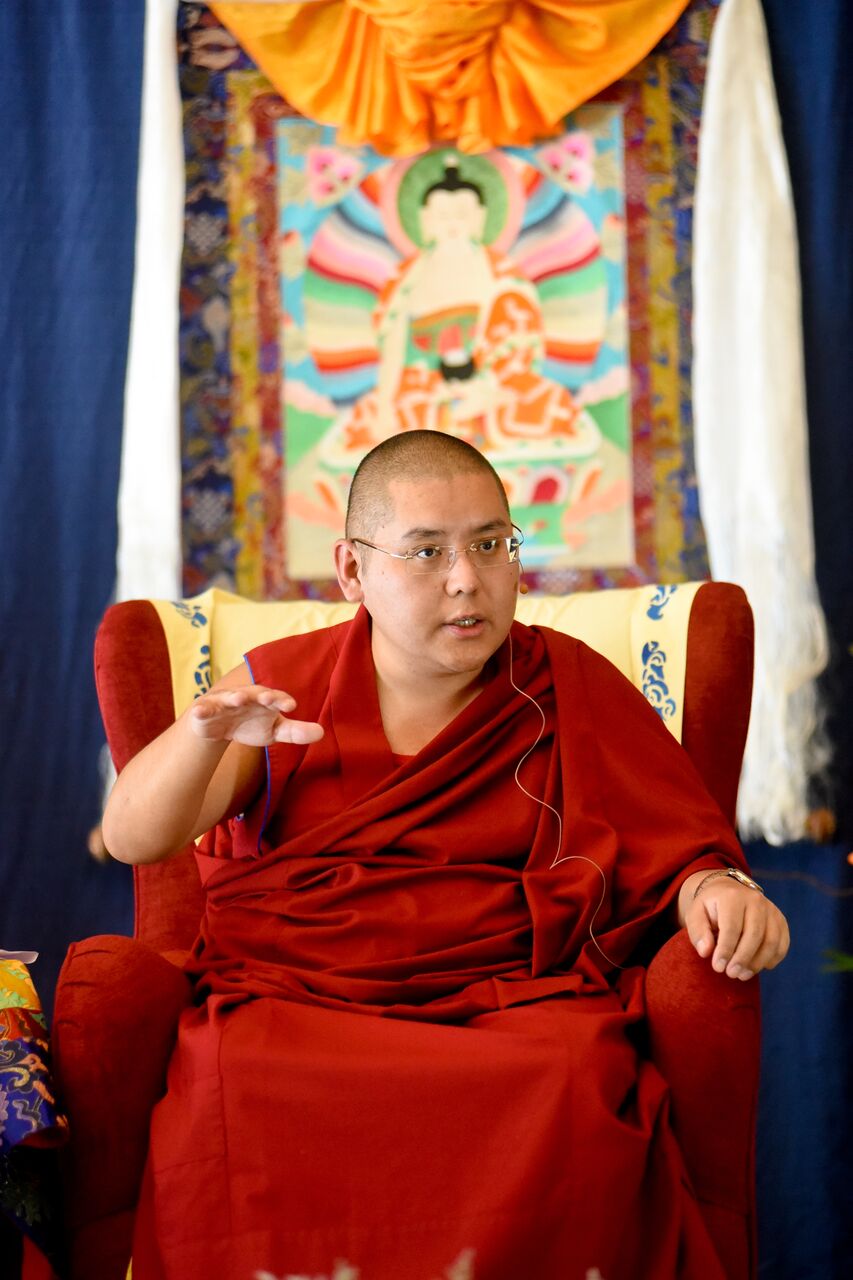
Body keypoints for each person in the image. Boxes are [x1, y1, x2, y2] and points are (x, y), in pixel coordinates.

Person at [103, 430, 789, 1280]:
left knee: (578, 1074)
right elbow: (137, 838)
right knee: (229, 1077)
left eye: (491, 545)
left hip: (508, 1007)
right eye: (426, 551)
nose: (466, 579)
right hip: (299, 1006)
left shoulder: (567, 685)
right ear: (352, 570)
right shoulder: (281, 692)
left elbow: (673, 845)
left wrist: (714, 889)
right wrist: (199, 737)